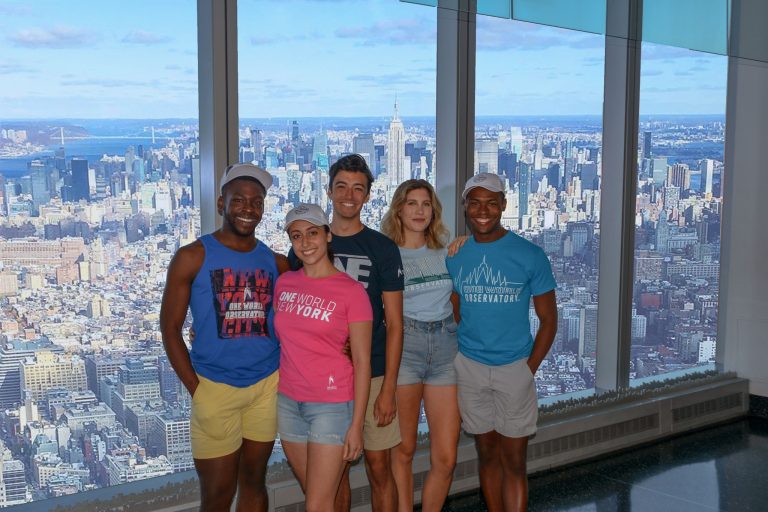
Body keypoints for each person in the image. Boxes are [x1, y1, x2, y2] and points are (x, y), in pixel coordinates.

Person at [160, 163, 289, 512]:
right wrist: (197, 389)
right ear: (221, 204)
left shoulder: (275, 262)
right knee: (217, 496)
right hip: (214, 387)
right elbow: (169, 329)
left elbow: (311, 297)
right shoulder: (192, 257)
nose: (249, 208)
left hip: (265, 386)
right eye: (239, 200)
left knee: (254, 485)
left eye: (257, 201)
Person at [288, 154, 404, 512]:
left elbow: (396, 323)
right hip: (324, 383)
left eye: (358, 188)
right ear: (329, 191)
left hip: (374, 373)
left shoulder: (381, 248)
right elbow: (288, 305)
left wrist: (387, 390)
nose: (349, 196)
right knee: (333, 476)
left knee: (379, 467)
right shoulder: (309, 243)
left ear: (368, 195)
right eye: (341, 187)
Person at [446, 173, 557, 512]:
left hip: (514, 369)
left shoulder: (529, 255)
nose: (483, 210)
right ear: (465, 207)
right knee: (487, 454)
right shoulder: (455, 254)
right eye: (475, 203)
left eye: (491, 203)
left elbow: (549, 320)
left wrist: (528, 370)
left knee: (514, 461)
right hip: (471, 368)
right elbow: (455, 307)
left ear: (503, 206)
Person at [275, 203, 372, 512]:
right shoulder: (284, 284)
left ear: (328, 235)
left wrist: (356, 425)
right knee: (318, 499)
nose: (305, 243)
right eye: (296, 236)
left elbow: (362, 362)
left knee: (317, 504)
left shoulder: (352, 292)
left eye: (313, 233)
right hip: (289, 402)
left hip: (332, 405)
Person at [380, 180, 461, 512]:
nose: (418, 210)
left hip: (445, 346)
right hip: (405, 346)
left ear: (434, 211)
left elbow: (460, 298)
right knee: (404, 449)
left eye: (425, 204)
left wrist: (467, 243)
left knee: (446, 455)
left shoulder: (448, 250)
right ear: (399, 208)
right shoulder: (386, 253)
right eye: (411, 203)